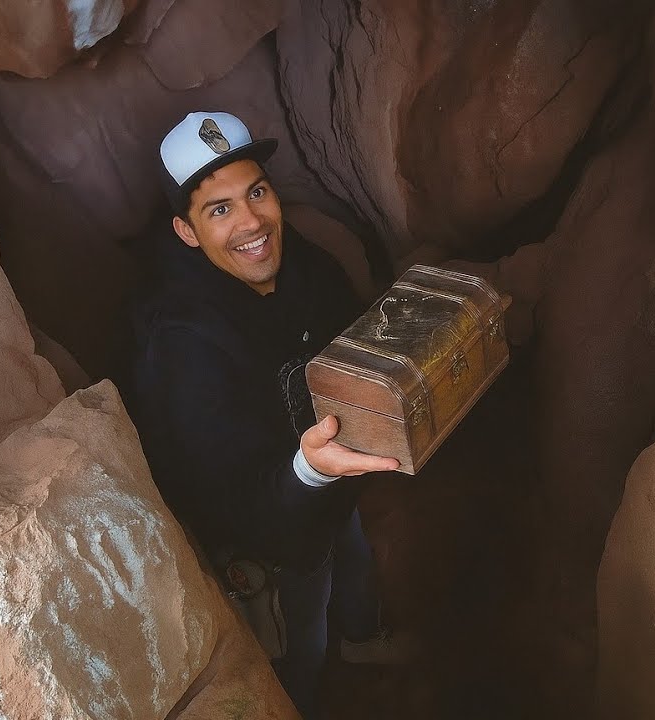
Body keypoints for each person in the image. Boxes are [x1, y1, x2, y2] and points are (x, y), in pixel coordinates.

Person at [126, 111, 411, 717]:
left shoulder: (294, 258)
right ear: (185, 230)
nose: (252, 222)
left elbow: (353, 326)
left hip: (331, 476)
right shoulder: (182, 344)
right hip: (268, 527)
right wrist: (311, 470)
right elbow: (232, 498)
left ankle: (361, 643)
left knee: (353, 561)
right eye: (219, 209)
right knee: (299, 643)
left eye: (256, 192)